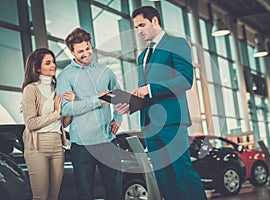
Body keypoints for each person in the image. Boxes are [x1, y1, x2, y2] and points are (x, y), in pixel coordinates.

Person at [116, 6, 207, 200]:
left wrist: (150, 88)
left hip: (172, 121)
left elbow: (185, 79)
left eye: (142, 25)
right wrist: (130, 105)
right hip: (150, 125)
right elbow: (143, 93)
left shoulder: (176, 44)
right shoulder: (142, 56)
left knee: (182, 170)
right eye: (136, 27)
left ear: (155, 21)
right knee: (164, 177)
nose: (139, 30)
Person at [56, 28, 123, 200]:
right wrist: (97, 100)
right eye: (80, 51)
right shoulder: (65, 76)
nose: (86, 54)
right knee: (85, 194)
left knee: (116, 192)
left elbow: (119, 96)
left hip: (108, 142)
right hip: (82, 146)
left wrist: (118, 118)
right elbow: (65, 109)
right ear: (72, 52)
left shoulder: (105, 71)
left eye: (88, 48)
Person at [21, 48, 74, 200]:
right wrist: (56, 114)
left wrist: (69, 107)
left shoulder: (58, 90)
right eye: (48, 62)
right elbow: (30, 123)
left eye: (53, 62)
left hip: (58, 145)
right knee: (40, 197)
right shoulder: (30, 90)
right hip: (37, 147)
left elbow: (63, 124)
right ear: (38, 67)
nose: (53, 66)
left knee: (54, 196)